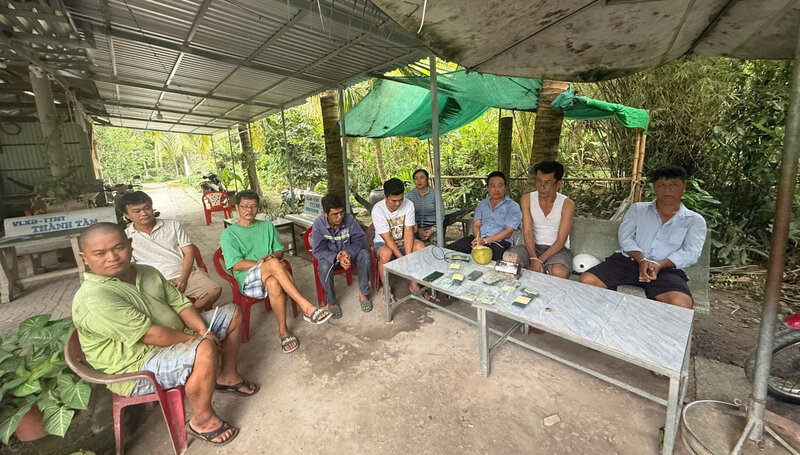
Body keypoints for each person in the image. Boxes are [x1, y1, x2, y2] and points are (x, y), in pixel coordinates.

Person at [72, 223, 254, 446]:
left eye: (118, 248)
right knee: (204, 349)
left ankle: (226, 376)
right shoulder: (95, 297)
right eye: (100, 253)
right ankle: (202, 421)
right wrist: (200, 340)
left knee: (232, 313)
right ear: (85, 258)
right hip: (136, 364)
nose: (112, 257)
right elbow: (150, 335)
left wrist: (201, 330)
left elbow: (180, 304)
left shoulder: (147, 272)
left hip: (175, 336)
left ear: (130, 245)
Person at [220, 190, 332, 354]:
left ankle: (283, 331)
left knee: (274, 282)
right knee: (273, 264)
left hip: (271, 275)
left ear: (258, 208)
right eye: (244, 206)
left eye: (253, 206)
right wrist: (264, 263)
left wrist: (272, 257)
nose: (249, 210)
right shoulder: (228, 234)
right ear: (237, 208)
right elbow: (237, 265)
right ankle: (306, 307)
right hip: (247, 278)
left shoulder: (267, 226)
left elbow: (279, 252)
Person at [580, 165, 706, 309]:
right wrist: (642, 260)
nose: (667, 189)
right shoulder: (638, 209)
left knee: (682, 303)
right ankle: (604, 316)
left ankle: (652, 328)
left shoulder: (694, 220)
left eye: (674, 185)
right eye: (662, 185)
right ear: (654, 188)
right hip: (628, 261)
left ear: (684, 187)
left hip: (666, 269)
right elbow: (626, 237)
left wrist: (659, 265)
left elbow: (691, 252)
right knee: (588, 280)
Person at [119, 191, 221, 311]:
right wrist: (153, 284)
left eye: (147, 208)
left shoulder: (173, 225)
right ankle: (188, 319)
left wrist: (183, 278)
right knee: (153, 311)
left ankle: (188, 318)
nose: (144, 213)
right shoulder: (125, 237)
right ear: (126, 215)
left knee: (214, 290)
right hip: (153, 281)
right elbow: (131, 266)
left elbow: (188, 252)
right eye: (137, 211)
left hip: (184, 274)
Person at [504, 161, 575, 278]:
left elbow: (561, 240)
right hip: (532, 247)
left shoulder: (567, 204)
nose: (542, 186)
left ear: (559, 183)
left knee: (559, 272)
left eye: (547, 182)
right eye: (539, 181)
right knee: (508, 261)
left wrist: (539, 260)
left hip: (557, 249)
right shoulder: (527, 199)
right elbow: (527, 231)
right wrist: (533, 257)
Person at [311, 193, 372, 317]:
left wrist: (348, 253)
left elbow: (360, 239)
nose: (340, 217)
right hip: (331, 258)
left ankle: (363, 293)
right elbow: (318, 250)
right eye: (335, 214)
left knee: (365, 255)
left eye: (341, 212)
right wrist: (337, 257)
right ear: (325, 214)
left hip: (350, 254)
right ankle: (331, 302)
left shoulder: (349, 219)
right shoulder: (318, 225)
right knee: (323, 267)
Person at [446, 171, 522, 261]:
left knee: (491, 261)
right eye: (493, 186)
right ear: (487, 188)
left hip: (499, 242)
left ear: (505, 188)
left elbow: (508, 231)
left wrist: (486, 241)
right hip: (479, 239)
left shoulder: (512, 206)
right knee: (449, 251)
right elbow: (477, 224)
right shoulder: (482, 204)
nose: (496, 189)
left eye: (500, 186)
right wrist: (478, 239)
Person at [372, 178, 426, 296]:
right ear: (385, 197)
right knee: (386, 253)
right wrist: (403, 259)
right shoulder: (377, 209)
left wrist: (408, 258)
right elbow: (388, 239)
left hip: (403, 241)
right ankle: (387, 288)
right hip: (384, 243)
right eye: (393, 201)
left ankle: (414, 283)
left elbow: (408, 232)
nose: (398, 204)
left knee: (420, 247)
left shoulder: (409, 205)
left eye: (400, 199)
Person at [405, 169, 439, 242]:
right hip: (414, 229)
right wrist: (417, 230)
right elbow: (405, 214)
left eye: (422, 177)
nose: (419, 181)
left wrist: (432, 230)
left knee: (435, 244)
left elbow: (441, 215)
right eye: (416, 178)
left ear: (427, 179)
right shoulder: (409, 196)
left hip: (432, 228)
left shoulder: (435, 194)